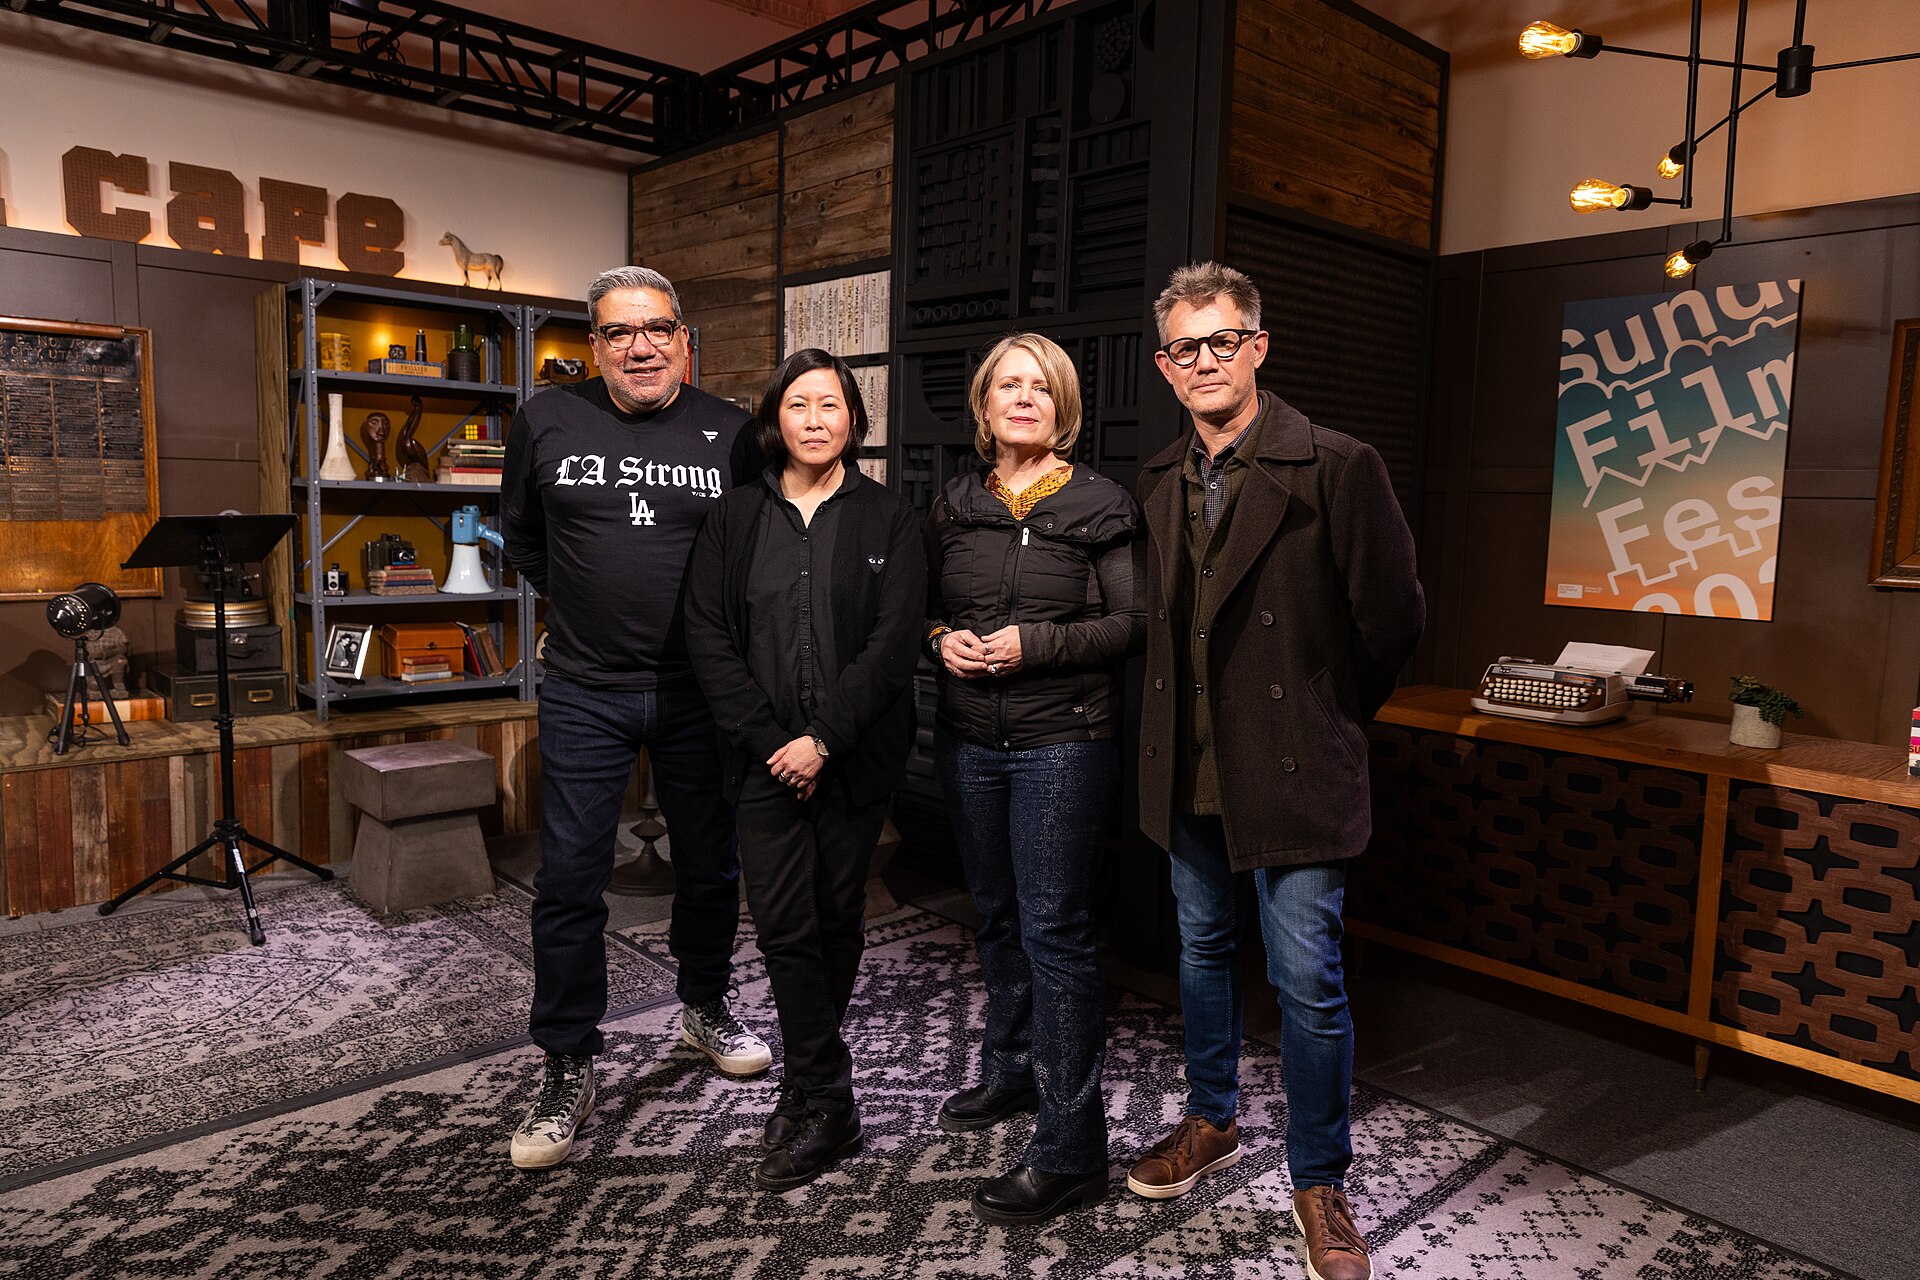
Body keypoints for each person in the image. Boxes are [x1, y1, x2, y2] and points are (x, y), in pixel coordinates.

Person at [1127, 262, 1423, 1280]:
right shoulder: (1159, 478)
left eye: (1221, 340)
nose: (1204, 360)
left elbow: (1393, 619)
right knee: (1204, 953)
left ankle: (1319, 1177)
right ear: (1166, 366)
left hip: (1298, 766)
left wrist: (1331, 714)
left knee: (1308, 979)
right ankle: (1212, 1119)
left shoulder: (1337, 463)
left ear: (1258, 346)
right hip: (1190, 768)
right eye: (1184, 347)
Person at [500, 265, 772, 1171]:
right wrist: (575, 608)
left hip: (702, 690)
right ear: (595, 346)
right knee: (571, 880)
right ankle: (567, 1059)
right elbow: (525, 537)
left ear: (683, 338)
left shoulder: (732, 432)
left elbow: (753, 551)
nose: (641, 346)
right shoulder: (544, 418)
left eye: (657, 329)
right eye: (620, 333)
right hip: (585, 686)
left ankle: (703, 1005)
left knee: (709, 865)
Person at [684, 348, 924, 1191]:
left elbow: (893, 647)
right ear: (774, 420)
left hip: (856, 755)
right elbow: (709, 639)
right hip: (760, 760)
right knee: (784, 927)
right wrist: (773, 742)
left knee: (834, 920)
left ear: (854, 419)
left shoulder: (890, 518)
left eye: (831, 404)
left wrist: (823, 739)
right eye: (799, 404)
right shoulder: (736, 517)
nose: (815, 419)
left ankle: (809, 1088)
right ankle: (825, 1092)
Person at [924, 332, 1144, 1226]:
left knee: (1056, 933)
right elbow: (924, 610)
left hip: (1064, 742)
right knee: (998, 913)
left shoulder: (1101, 502)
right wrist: (941, 642)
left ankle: (1069, 1149)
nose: (1024, 399)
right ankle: (1011, 1073)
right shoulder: (952, 504)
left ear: (1063, 409)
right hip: (969, 739)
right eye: (1007, 386)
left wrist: (1035, 643)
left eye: (1041, 388)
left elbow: (1131, 623)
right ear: (983, 407)